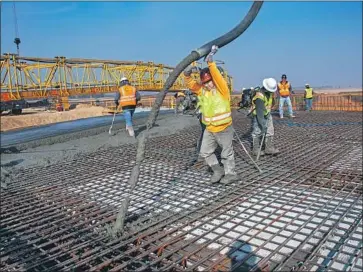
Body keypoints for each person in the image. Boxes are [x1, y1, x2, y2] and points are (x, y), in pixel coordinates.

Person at [183, 45, 238, 185]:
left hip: (224, 128)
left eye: (209, 81)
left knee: (226, 154)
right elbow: (191, 85)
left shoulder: (222, 90)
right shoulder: (203, 91)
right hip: (210, 129)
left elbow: (218, 78)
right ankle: (217, 170)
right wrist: (186, 74)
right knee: (205, 152)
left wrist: (210, 62)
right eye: (205, 82)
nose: (208, 85)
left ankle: (231, 174)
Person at [251, 78, 280, 156]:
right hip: (258, 116)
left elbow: (270, 103)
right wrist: (263, 125)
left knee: (270, 130)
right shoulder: (259, 96)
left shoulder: (269, 93)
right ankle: (256, 150)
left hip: (267, 114)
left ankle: (268, 148)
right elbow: (259, 112)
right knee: (257, 132)